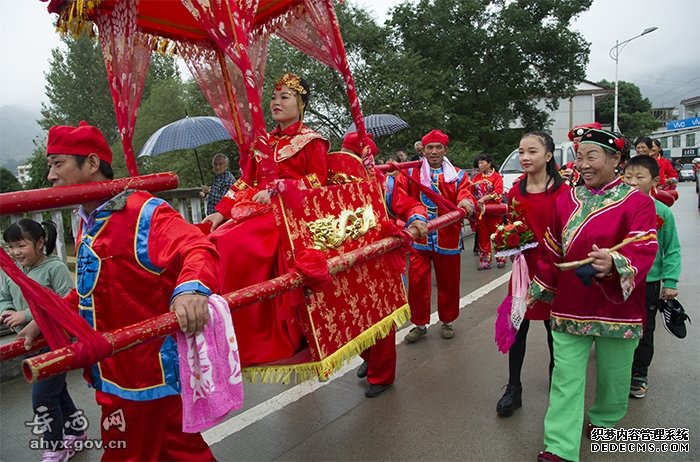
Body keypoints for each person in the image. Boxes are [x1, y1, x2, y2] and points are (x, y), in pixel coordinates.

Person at [23, 120, 220, 461]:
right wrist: (49, 316)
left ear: (91, 163)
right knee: (181, 451)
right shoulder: (88, 220)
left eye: (58, 164)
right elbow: (91, 289)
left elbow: (197, 247)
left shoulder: (143, 212)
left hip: (145, 374)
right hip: (114, 370)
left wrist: (191, 290)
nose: (51, 176)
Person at [530, 128, 658, 462]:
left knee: (615, 377)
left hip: (618, 307)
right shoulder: (565, 199)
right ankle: (559, 447)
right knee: (565, 377)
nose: (583, 164)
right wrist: (539, 289)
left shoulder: (638, 202)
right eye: (579, 157)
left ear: (616, 160)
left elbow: (645, 245)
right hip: (570, 303)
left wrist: (615, 263)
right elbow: (551, 249)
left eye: (592, 156)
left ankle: (604, 421)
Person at [203, 73, 330, 367]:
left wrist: (280, 189)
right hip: (255, 208)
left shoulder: (312, 141)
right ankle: (225, 327)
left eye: (285, 97)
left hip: (289, 211)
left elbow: (318, 181)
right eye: (273, 97)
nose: (276, 102)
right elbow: (244, 182)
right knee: (212, 239)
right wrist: (220, 212)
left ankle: (252, 332)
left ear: (301, 104)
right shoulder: (263, 143)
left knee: (233, 244)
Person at [340, 131, 428, 397]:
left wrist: (417, 218)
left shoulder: (383, 184)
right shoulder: (332, 185)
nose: (345, 160)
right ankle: (369, 357)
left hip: (379, 263)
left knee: (380, 319)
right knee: (351, 317)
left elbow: (410, 205)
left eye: (352, 155)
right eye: (344, 154)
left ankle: (382, 375)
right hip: (349, 264)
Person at [495, 132, 570, 417]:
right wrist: (506, 242)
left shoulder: (565, 193)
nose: (525, 157)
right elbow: (513, 227)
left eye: (532, 151)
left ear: (549, 156)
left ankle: (558, 384)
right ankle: (513, 389)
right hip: (524, 271)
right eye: (521, 151)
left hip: (555, 271)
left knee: (556, 332)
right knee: (517, 328)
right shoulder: (515, 192)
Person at [1, 219, 86, 462]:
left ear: (40, 243)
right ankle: (76, 431)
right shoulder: (12, 271)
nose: (15, 252)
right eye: (10, 247)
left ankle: (55, 447)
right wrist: (7, 310)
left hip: (55, 342)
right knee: (56, 391)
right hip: (30, 345)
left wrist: (26, 315)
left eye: (21, 246)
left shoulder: (55, 268)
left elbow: (66, 301)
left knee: (43, 397)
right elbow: (4, 296)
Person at [397, 129, 476, 343]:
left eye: (438, 147)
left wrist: (465, 202)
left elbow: (465, 192)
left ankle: (447, 320)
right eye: (430, 148)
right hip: (419, 237)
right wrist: (413, 216)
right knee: (417, 282)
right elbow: (401, 197)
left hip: (447, 237)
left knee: (448, 282)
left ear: (445, 150)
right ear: (423, 150)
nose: (434, 152)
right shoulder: (411, 173)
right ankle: (419, 324)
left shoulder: (458, 175)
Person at [622, 155, 681, 399]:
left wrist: (670, 281)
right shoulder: (616, 207)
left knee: (645, 329)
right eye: (628, 176)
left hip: (649, 282)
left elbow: (672, 249)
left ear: (655, 181)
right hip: (620, 280)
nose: (632, 182)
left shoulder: (662, 212)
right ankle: (619, 371)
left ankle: (639, 373)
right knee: (619, 327)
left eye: (640, 177)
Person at [471, 154, 505, 269]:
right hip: (480, 212)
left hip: (493, 210)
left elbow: (498, 193)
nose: (480, 165)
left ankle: (501, 258)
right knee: (483, 236)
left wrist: (484, 198)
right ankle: (485, 261)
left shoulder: (496, 177)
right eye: (479, 163)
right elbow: (471, 191)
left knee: (496, 235)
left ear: (489, 163)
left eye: (482, 163)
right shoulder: (476, 177)